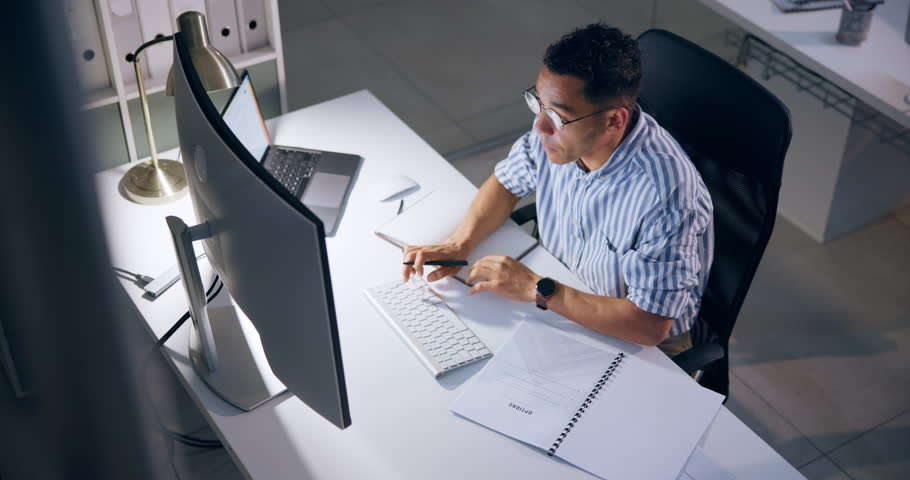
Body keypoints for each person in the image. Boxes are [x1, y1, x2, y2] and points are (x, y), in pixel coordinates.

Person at [403, 23, 713, 358]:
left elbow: (650, 325)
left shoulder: (666, 195)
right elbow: (507, 183)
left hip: (631, 335)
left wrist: (535, 288)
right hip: (561, 293)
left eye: (557, 116)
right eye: (538, 103)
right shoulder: (558, 133)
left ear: (614, 121)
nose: (540, 126)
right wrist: (459, 242)